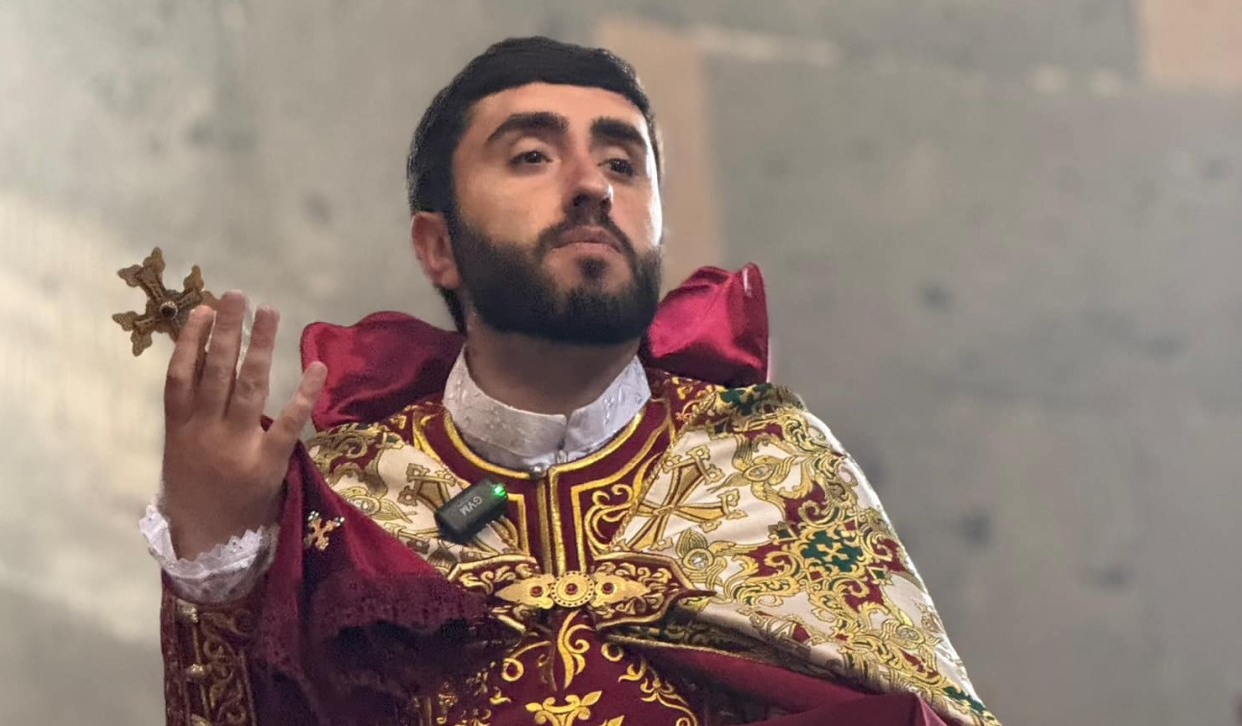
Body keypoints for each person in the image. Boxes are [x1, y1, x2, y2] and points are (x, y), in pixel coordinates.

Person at [144, 36, 998, 726]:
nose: (591, 187)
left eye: (623, 165)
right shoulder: (346, 495)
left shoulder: (770, 458)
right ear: (437, 247)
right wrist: (215, 564)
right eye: (531, 156)